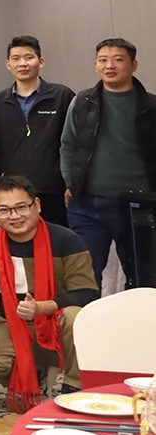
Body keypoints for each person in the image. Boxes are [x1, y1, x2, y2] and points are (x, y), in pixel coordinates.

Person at [0, 175, 97, 406]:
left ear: (36, 205)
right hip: (12, 323)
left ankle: (73, 387)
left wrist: (42, 307)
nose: (14, 216)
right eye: (4, 210)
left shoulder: (66, 240)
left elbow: (88, 294)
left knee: (75, 315)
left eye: (21, 207)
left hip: (57, 323)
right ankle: (34, 374)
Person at [60, 37, 156, 289]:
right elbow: (67, 145)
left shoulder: (151, 106)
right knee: (84, 276)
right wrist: (70, 182)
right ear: (96, 65)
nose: (109, 66)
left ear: (134, 64)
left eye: (118, 60)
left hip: (138, 204)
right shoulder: (82, 102)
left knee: (142, 276)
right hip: (87, 203)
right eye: (103, 60)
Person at [0, 36, 75, 226]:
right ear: (8, 64)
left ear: (40, 62)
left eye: (28, 57)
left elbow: (73, 143)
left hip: (55, 190)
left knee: (56, 239)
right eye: (16, 58)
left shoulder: (61, 96)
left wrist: (71, 183)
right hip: (15, 193)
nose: (22, 63)